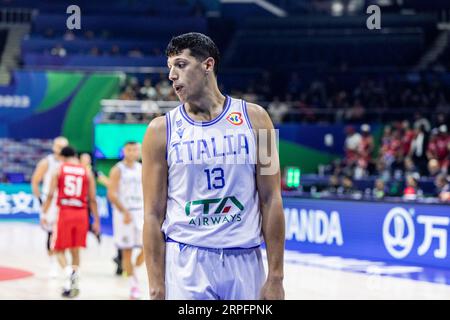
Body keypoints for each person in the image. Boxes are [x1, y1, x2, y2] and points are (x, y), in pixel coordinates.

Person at [142, 32, 285, 300]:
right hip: (186, 259)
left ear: (208, 65)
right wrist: (155, 284)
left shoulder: (257, 119)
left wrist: (276, 276)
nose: (172, 75)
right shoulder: (160, 131)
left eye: (181, 65)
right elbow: (151, 214)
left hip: (245, 259)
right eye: (169, 67)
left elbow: (272, 198)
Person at [41, 146, 100, 298]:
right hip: (81, 213)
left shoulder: (59, 170)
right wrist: (97, 221)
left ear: (61, 157)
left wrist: (44, 212)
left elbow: (50, 195)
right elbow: (93, 199)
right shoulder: (86, 171)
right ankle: (72, 283)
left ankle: (68, 274)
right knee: (75, 250)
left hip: (65, 212)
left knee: (59, 249)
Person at [107, 142, 145, 299]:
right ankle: (133, 285)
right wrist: (124, 211)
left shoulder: (142, 168)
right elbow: (112, 194)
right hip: (125, 214)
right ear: (124, 151)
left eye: (135, 149)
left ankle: (134, 268)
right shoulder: (118, 169)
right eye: (129, 149)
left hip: (140, 211)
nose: (132, 152)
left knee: (147, 247)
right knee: (127, 250)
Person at [31, 136, 69, 277]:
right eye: (58, 146)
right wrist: (41, 201)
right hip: (50, 201)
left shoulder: (70, 162)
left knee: (64, 233)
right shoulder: (47, 162)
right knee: (51, 233)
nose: (60, 149)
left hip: (66, 201)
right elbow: (35, 181)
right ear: (53, 147)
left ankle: (65, 262)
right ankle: (52, 262)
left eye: (63, 146)